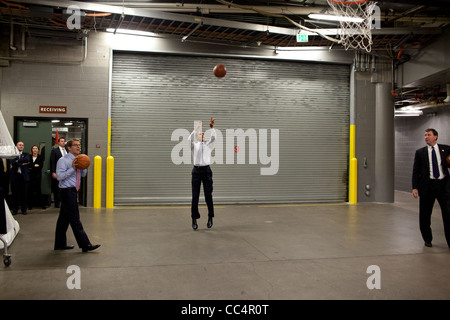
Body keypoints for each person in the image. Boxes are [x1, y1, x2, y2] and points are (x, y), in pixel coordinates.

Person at [54, 139, 100, 252]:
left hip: (73, 191)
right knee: (75, 219)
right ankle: (85, 245)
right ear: (69, 148)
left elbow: (83, 175)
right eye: (75, 145)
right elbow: (59, 176)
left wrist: (84, 166)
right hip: (66, 192)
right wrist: (73, 168)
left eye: (79, 145)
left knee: (63, 220)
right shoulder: (63, 160)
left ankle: (59, 244)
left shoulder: (80, 159)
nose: (78, 147)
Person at [412, 128, 450, 248]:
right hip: (427, 187)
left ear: (435, 137)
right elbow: (415, 171)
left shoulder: (446, 149)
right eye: (425, 135)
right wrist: (415, 187)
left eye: (429, 135)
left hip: (443, 186)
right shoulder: (420, 153)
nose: (426, 137)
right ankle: (427, 239)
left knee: (448, 214)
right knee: (425, 215)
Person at [188, 117, 216, 230]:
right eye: (200, 134)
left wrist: (211, 127)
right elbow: (188, 139)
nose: (203, 135)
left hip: (206, 171)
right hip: (196, 171)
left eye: (204, 134)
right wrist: (196, 129)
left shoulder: (208, 145)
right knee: (195, 196)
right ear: (197, 137)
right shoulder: (194, 146)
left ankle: (210, 217)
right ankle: (194, 219)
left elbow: (214, 138)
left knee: (208, 196)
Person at [10, 141, 31, 215]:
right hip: (15, 177)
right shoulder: (13, 154)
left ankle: (24, 209)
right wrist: (22, 163)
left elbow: (27, 160)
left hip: (24, 177)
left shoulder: (26, 154)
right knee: (15, 194)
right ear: (16, 146)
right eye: (20, 145)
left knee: (24, 194)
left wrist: (17, 161)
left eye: (22, 145)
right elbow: (12, 161)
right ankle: (15, 209)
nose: (21, 146)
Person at [50, 137, 67, 208]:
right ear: (59, 142)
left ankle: (64, 202)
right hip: (58, 172)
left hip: (66, 172)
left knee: (65, 187)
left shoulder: (67, 151)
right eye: (62, 141)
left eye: (64, 141)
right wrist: (53, 172)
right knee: (57, 188)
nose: (63, 142)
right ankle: (57, 203)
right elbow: (52, 162)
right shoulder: (55, 151)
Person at [28, 145, 46, 210]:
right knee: (30, 191)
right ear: (32, 150)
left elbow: (40, 166)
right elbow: (29, 165)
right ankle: (30, 205)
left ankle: (42, 205)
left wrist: (32, 167)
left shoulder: (40, 157)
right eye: (33, 148)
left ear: (38, 150)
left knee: (39, 190)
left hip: (38, 176)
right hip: (30, 176)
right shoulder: (29, 157)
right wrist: (35, 166)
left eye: (36, 148)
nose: (35, 150)